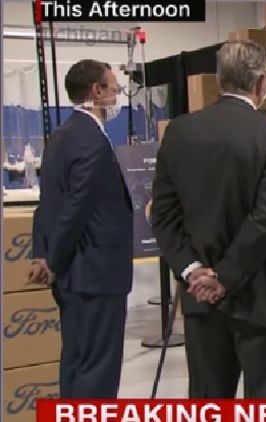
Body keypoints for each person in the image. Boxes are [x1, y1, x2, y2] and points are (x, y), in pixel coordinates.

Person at [151, 39, 266, 399]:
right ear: (262, 82)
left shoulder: (179, 131)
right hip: (263, 297)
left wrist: (192, 271)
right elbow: (265, 218)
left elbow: (163, 214)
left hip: (200, 298)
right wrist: (224, 277)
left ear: (220, 79)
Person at [28, 59, 132, 398]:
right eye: (115, 88)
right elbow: (75, 210)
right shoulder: (93, 142)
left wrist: (42, 253)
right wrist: (52, 261)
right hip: (95, 276)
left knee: (75, 360)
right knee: (97, 369)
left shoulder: (60, 136)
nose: (117, 95)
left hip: (73, 276)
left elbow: (47, 202)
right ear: (96, 91)